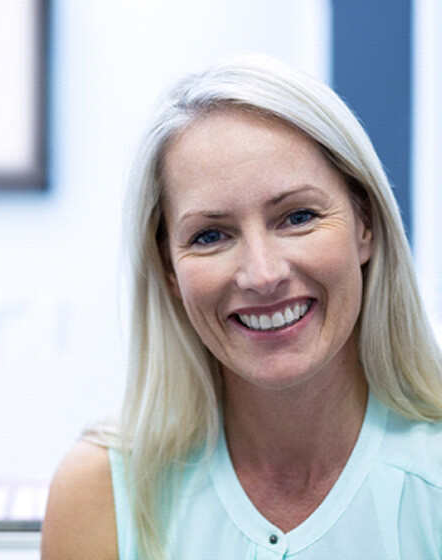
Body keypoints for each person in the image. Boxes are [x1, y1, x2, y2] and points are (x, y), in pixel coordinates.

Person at [40, 54, 442, 559]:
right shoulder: (100, 492)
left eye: (297, 217)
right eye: (210, 235)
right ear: (168, 268)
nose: (263, 274)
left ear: (366, 224)